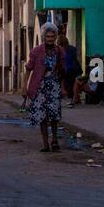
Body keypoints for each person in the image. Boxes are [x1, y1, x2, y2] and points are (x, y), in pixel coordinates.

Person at [24, 21, 66, 152]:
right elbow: (28, 69)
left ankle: (55, 140)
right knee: (42, 116)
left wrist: (63, 87)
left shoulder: (59, 51)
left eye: (52, 36)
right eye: (48, 37)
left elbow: (61, 71)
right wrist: (25, 88)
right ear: (44, 37)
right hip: (39, 87)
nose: (50, 39)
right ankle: (45, 143)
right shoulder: (36, 51)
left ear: (55, 37)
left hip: (54, 86)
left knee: (54, 115)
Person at [56, 21, 83, 107]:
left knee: (62, 80)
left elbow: (65, 63)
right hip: (75, 70)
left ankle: (72, 97)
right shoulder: (72, 49)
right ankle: (75, 98)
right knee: (73, 83)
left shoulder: (60, 51)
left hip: (68, 71)